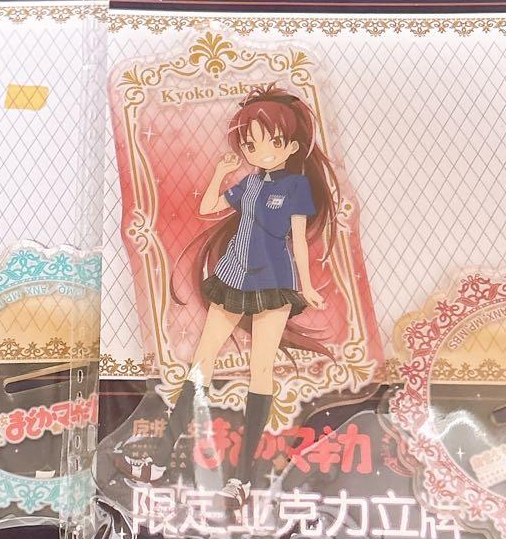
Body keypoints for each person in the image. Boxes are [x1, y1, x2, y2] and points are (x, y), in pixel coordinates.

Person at [114, 84, 340, 511]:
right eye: (251, 144)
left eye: (272, 142)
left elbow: (297, 239)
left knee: (261, 370)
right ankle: (159, 461)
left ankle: (242, 480)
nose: (260, 151)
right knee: (202, 362)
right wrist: (220, 172)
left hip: (273, 281)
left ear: (292, 146)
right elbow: (208, 209)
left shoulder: (295, 187)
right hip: (233, 274)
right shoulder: (249, 183)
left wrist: (307, 287)